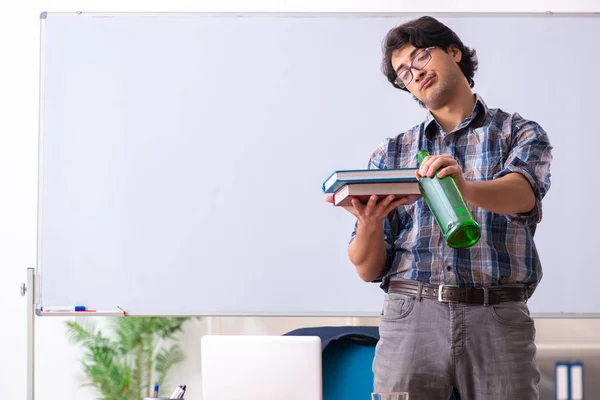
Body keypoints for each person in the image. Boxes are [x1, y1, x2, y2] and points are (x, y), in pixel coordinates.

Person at [325, 16, 552, 399]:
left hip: (497, 314)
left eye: (420, 57)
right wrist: (368, 222)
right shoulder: (392, 152)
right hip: (411, 312)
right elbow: (366, 268)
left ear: (453, 52)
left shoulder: (519, 132)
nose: (414, 73)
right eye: (403, 72)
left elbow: (522, 194)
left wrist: (463, 187)